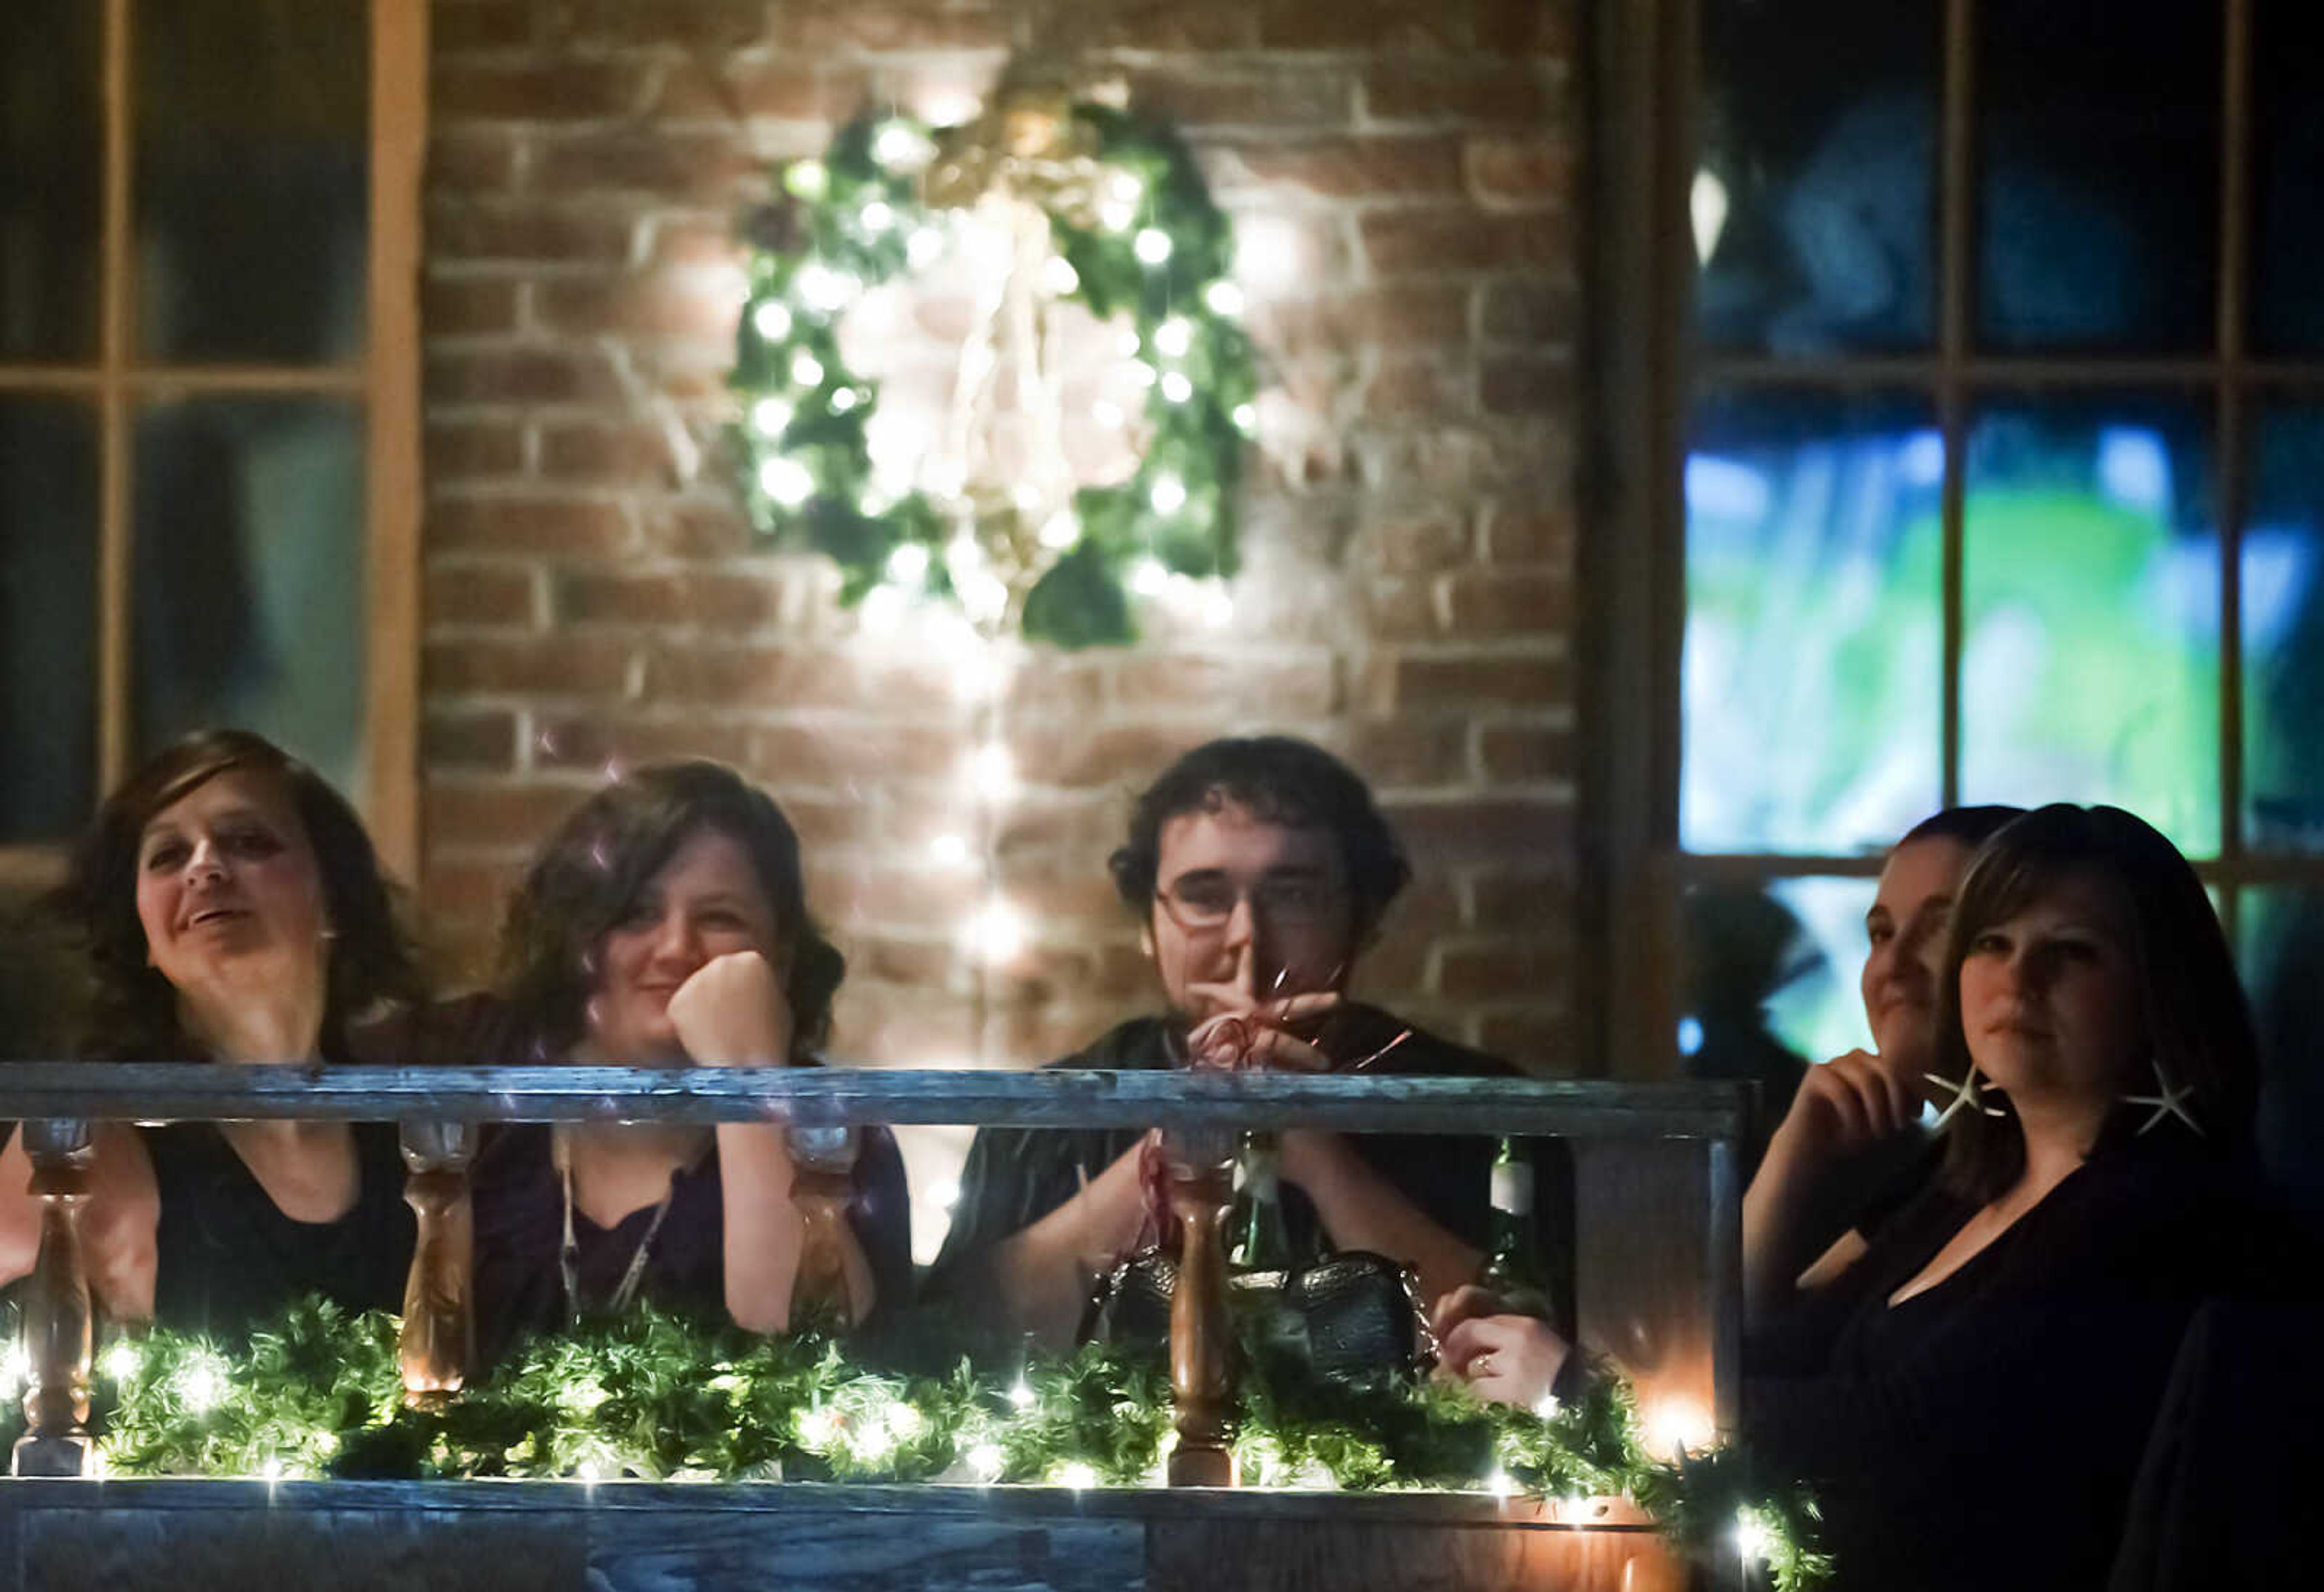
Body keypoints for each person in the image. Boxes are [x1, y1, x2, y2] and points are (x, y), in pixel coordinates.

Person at [1738, 803, 2288, 1591]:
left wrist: (1581, 1389)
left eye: (2070, 952)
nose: (2018, 980)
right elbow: (1761, 1347)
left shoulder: (2159, 1207)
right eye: (1993, 942)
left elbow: (1890, 1441)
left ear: (2156, 988)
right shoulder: (1963, 1187)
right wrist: (1793, 1153)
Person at [925, 735, 1568, 1355]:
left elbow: (1532, 1362)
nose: (1247, 938)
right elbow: (961, 1344)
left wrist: (1316, 1151)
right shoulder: (1048, 1116)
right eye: (1204, 896)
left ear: (1364, 918)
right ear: (1149, 922)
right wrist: (1177, 1141)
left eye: (1292, 895)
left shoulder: (1482, 1112)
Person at [371, 761, 910, 1369]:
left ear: (780, 954)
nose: (676, 946)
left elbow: (805, 1359)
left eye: (719, 917)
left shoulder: (836, 1131)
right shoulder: (469, 1052)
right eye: (636, 913)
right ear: (579, 934)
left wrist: (749, 1072)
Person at [0, 730, 425, 1337]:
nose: (204, 867)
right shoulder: (94, 1132)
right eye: (168, 855)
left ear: (333, 895)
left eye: (248, 840)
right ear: (142, 930)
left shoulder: (412, 1133)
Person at [1740, 805, 2023, 1327]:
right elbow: (1732, 1341)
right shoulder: (1941, 1179)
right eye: (1881, 934)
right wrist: (1792, 1153)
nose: (1893, 964)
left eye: (1940, 928)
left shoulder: (2049, 1191)